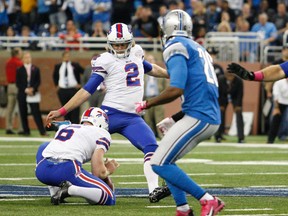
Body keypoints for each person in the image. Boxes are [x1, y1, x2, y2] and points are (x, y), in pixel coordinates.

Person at [46, 23, 171, 203]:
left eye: (123, 44)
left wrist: (170, 75)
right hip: (107, 115)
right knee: (79, 145)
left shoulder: (137, 52)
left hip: (133, 117)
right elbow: (87, 90)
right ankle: (58, 184)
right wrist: (62, 110)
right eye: (116, 44)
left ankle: (154, 190)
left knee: (152, 148)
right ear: (109, 43)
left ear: (131, 42)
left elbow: (149, 68)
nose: (119, 48)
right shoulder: (105, 60)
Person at [135, 10, 225, 216]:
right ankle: (183, 209)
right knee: (168, 160)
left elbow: (176, 89)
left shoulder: (175, 46)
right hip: (205, 114)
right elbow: (198, 91)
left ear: (167, 29)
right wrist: (174, 118)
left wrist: (146, 104)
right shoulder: (198, 48)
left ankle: (208, 200)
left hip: (199, 116)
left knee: (157, 162)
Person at [35, 107, 119, 205]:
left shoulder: (66, 127)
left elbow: (50, 128)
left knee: (45, 145)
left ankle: (54, 191)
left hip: (42, 170)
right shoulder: (102, 133)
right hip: (65, 170)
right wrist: (107, 170)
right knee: (109, 197)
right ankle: (70, 190)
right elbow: (98, 173)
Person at [16, 51, 47, 136]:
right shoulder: (19, 69)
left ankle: (42, 131)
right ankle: (26, 130)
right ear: (22, 59)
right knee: (23, 112)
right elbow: (18, 83)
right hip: (23, 93)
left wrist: (33, 89)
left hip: (33, 93)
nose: (28, 59)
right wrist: (26, 90)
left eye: (29, 57)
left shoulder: (35, 69)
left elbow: (38, 81)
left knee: (36, 112)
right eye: (26, 57)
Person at [53, 50, 84, 123]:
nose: (67, 58)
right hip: (62, 90)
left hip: (73, 89)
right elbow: (54, 76)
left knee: (75, 109)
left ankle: (75, 124)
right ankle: (67, 125)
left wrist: (81, 84)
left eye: (68, 56)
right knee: (64, 109)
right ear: (62, 57)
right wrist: (56, 85)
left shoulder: (75, 65)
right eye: (65, 56)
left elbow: (84, 73)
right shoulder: (58, 66)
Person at [215, 73, 245, 143]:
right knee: (220, 114)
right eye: (229, 76)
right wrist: (220, 104)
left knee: (239, 114)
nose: (230, 77)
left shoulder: (239, 81)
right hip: (223, 97)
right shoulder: (220, 79)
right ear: (225, 75)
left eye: (232, 76)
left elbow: (240, 94)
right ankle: (218, 136)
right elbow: (218, 92)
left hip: (235, 97)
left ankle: (241, 138)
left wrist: (238, 105)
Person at [143, 53, 167, 139]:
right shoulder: (143, 74)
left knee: (159, 119)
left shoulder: (160, 73)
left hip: (158, 99)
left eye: (151, 60)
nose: (150, 62)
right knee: (147, 120)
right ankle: (150, 137)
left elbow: (166, 87)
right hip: (147, 99)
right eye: (148, 60)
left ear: (155, 61)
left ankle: (162, 136)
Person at [5, 47, 23, 135]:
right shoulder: (19, 63)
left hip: (9, 85)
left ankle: (8, 127)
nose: (21, 54)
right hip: (17, 86)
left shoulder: (8, 62)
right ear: (17, 54)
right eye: (20, 52)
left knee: (10, 108)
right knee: (20, 107)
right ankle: (21, 128)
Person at [267, 79, 288, 143]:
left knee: (286, 120)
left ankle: (283, 135)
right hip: (279, 103)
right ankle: (271, 139)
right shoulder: (279, 83)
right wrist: (276, 107)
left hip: (287, 103)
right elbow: (276, 95)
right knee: (275, 120)